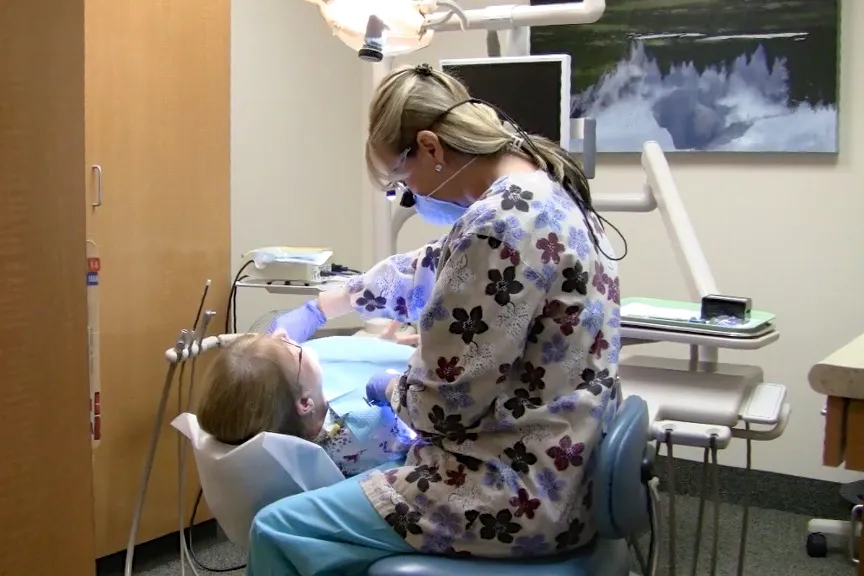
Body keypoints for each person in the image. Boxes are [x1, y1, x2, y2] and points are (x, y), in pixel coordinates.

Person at [248, 63, 622, 575]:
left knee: (278, 526)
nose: (410, 194)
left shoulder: (496, 227)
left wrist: (388, 387)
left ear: (430, 147)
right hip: (563, 474)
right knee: (350, 519)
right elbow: (425, 271)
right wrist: (325, 306)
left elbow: (439, 410)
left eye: (403, 180)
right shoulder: (539, 193)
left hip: (509, 494)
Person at [197, 329, 414, 477]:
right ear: (304, 403)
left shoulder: (290, 417)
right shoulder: (363, 430)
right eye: (289, 348)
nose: (282, 333)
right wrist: (398, 390)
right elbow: (427, 425)